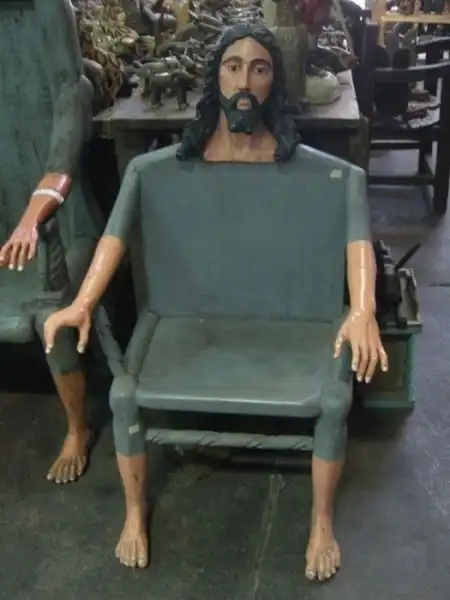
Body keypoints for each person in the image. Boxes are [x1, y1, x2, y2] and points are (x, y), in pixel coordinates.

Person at [43, 23, 388, 581]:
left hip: (295, 325)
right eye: (233, 66)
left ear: (275, 83)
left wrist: (363, 309)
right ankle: (134, 512)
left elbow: (357, 240)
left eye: (260, 68)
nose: (244, 81)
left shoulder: (335, 177)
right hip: (184, 324)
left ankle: (321, 520)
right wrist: (82, 302)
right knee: (126, 391)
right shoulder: (150, 171)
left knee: (332, 400)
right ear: (215, 78)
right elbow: (114, 236)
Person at [0, 0, 98, 484]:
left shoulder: (47, 11)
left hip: (61, 222)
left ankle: (78, 427)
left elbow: (70, 97)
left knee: (50, 310)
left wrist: (32, 217)